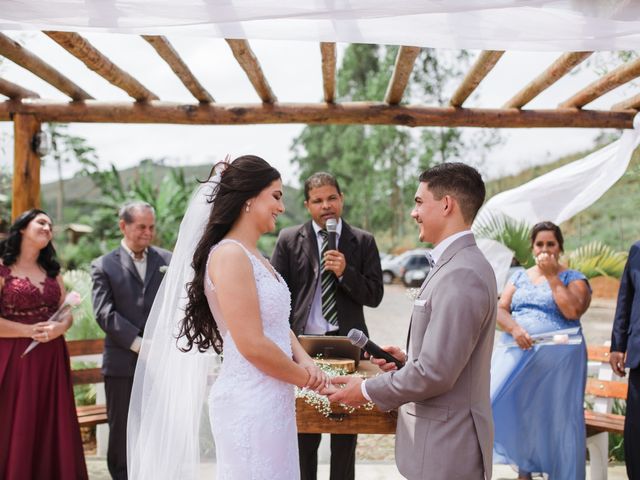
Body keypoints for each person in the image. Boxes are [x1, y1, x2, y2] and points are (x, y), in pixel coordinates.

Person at [127, 155, 329, 480]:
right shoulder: (230, 255)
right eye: (275, 195)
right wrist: (308, 380)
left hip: (273, 395)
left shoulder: (255, 256)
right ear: (249, 199)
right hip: (250, 400)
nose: (281, 206)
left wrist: (306, 360)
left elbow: (276, 324)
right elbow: (251, 344)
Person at [329, 162, 497, 480]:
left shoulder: (462, 273)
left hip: (447, 449)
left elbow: (435, 373)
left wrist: (365, 390)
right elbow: (447, 360)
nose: (413, 212)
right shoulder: (458, 264)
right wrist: (407, 361)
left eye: (419, 202)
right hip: (440, 444)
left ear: (446, 204)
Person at [271, 172, 384, 480]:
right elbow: (278, 298)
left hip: (350, 349)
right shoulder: (289, 239)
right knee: (304, 431)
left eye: (331, 198)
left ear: (341, 199)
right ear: (307, 205)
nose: (326, 206)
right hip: (302, 348)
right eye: (318, 201)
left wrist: (346, 273)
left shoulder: (362, 241)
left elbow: (375, 296)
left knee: (346, 431)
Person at [490, 221, 591, 480]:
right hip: (521, 357)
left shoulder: (574, 278)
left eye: (550, 244)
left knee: (558, 416)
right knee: (507, 406)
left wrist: (552, 276)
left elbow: (572, 311)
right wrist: (514, 329)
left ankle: (561, 473)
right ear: (532, 248)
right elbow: (501, 309)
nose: (545, 249)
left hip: (560, 361)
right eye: (540, 244)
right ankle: (525, 470)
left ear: (560, 247)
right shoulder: (519, 276)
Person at [0, 209, 88, 479]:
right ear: (22, 228)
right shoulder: (3, 270)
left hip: (52, 359)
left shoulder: (52, 272)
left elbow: (66, 313)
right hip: (15, 358)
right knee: (16, 422)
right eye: (41, 222)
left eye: (50, 224)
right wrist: (29, 330)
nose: (48, 227)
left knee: (51, 422)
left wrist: (60, 327)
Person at [91, 201, 172, 480]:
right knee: (122, 429)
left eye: (151, 227)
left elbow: (176, 305)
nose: (148, 233)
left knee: (157, 426)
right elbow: (104, 313)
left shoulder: (167, 260)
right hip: (122, 362)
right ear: (123, 226)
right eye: (141, 227)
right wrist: (139, 344)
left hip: (160, 362)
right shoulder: (103, 265)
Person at [610, 240, 640, 480]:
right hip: (639, 355)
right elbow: (625, 298)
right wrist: (617, 345)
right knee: (636, 430)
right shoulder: (637, 250)